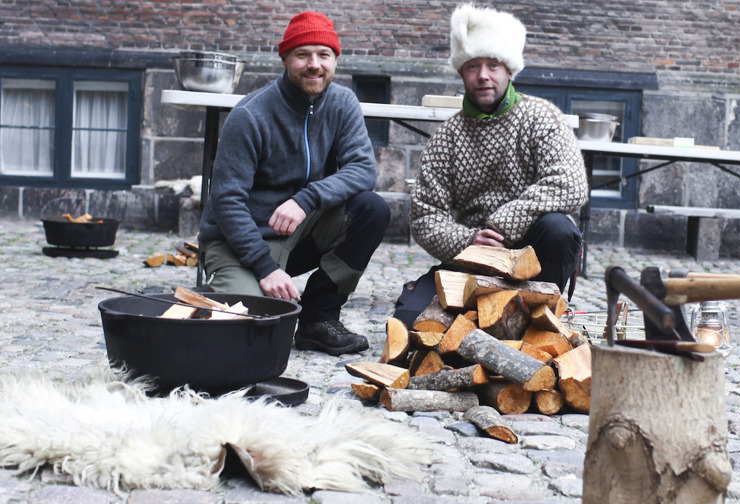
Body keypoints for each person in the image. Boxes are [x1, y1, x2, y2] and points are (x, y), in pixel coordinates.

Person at [198, 11, 389, 356]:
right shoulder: (250, 115)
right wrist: (264, 267)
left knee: (371, 209)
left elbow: (363, 169)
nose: (313, 64)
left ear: (335, 60)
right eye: (302, 54)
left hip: (298, 232)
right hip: (239, 242)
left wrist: (306, 199)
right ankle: (231, 293)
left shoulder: (343, 103)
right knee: (245, 331)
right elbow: (226, 201)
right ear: (285, 58)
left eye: (323, 55)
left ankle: (317, 320)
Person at [393, 3, 589, 327]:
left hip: (533, 256)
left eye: (493, 65)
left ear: (509, 70)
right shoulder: (447, 138)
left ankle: (539, 312)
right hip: (472, 260)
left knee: (560, 230)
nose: (483, 75)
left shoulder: (541, 117)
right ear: (461, 72)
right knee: (409, 323)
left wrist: (504, 222)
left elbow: (570, 182)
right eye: (473, 66)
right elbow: (426, 218)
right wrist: (469, 240)